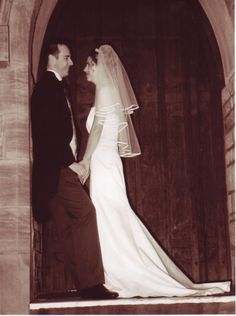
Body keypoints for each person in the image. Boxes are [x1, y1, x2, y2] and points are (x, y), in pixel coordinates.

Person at [78, 44, 231, 298]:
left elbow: (96, 131)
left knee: (110, 215)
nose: (84, 70)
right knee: (110, 216)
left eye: (88, 65)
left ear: (98, 66)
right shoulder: (108, 91)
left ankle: (122, 274)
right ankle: (114, 272)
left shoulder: (105, 91)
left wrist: (84, 161)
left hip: (103, 162)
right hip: (104, 162)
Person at [30, 40, 118, 300]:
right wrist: (72, 163)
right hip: (59, 170)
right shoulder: (47, 87)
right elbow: (47, 133)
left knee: (68, 226)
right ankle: (92, 285)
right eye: (66, 57)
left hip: (52, 173)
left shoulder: (53, 87)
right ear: (53, 58)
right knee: (87, 213)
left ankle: (85, 286)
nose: (71, 62)